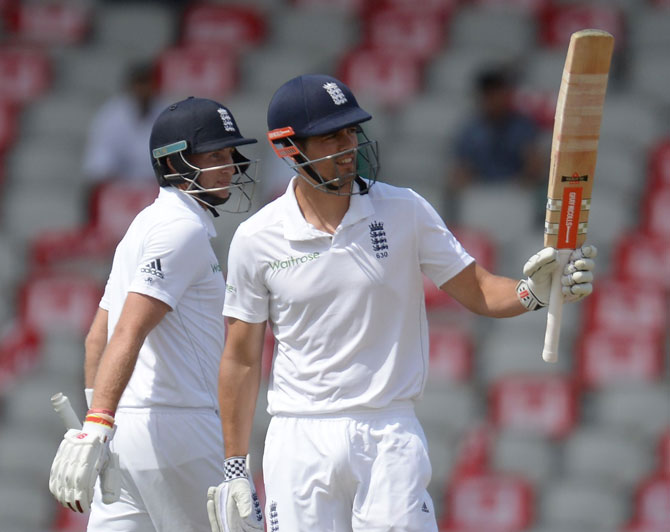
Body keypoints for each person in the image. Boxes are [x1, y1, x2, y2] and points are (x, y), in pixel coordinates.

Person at [206, 74, 596, 532]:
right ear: (288, 148)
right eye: (331, 136)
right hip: (298, 436)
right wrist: (235, 465)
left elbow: (481, 290)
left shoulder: (405, 210)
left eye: (351, 130)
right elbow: (241, 358)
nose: (348, 144)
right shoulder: (256, 238)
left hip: (387, 430)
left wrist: (537, 292)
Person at [49, 96, 259, 532]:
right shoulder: (181, 229)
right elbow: (128, 330)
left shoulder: (143, 225)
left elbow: (98, 338)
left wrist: (100, 426)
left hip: (127, 434)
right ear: (175, 160)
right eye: (215, 155)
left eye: (230, 155)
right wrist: (97, 425)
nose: (230, 166)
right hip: (180, 429)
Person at [447, 65, 545, 222]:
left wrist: (517, 187)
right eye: (490, 95)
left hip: (516, 192)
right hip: (481, 192)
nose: (495, 100)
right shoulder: (470, 130)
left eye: (499, 93)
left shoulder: (523, 126)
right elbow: (460, 172)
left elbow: (534, 167)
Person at [82, 61, 166, 184]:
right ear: (129, 86)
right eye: (139, 83)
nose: (143, 89)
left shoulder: (167, 114)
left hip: (158, 188)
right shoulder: (110, 115)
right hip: (119, 188)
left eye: (146, 83)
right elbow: (100, 162)